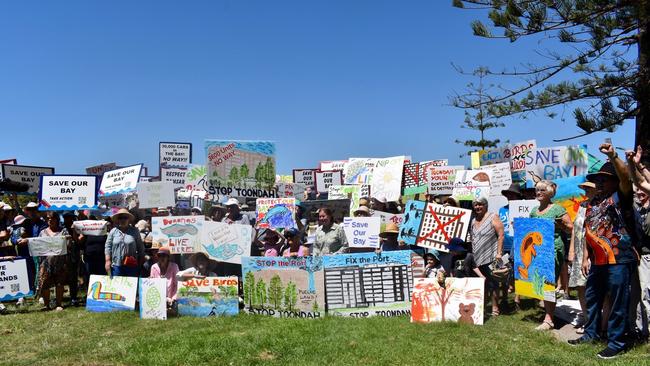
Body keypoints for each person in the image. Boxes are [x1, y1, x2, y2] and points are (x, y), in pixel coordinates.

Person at [569, 143, 638, 360]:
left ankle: (616, 342)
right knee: (592, 299)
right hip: (597, 261)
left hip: (618, 259)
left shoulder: (620, 196)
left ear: (614, 181)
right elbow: (589, 231)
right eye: (597, 179)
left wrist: (614, 156)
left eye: (604, 179)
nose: (599, 182)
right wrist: (586, 256)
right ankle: (591, 334)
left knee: (617, 302)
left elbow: (627, 180)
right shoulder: (593, 203)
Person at [529, 179, 573, 331]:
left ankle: (549, 319)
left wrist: (561, 225)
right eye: (537, 190)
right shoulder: (534, 211)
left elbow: (570, 228)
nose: (539, 193)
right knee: (540, 281)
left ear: (550, 193)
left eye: (542, 190)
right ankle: (548, 313)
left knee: (548, 283)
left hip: (553, 249)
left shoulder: (558, 209)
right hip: (538, 250)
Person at [22, 212, 70, 311]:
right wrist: (27, 240)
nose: (50, 220)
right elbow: (37, 243)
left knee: (59, 283)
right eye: (48, 218)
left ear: (56, 219)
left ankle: (59, 304)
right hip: (45, 261)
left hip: (60, 261)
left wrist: (68, 239)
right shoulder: (43, 232)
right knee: (44, 283)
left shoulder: (63, 231)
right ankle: (47, 305)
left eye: (52, 218)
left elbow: (68, 245)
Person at [568, 181, 597, 330]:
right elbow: (575, 229)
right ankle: (586, 318)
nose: (585, 191)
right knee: (580, 286)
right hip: (579, 252)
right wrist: (571, 250)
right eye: (585, 188)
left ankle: (594, 321)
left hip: (593, 252)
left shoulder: (599, 205)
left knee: (591, 287)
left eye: (589, 188)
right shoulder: (582, 206)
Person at [470, 196, 505, 317]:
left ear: (486, 205)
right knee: (482, 282)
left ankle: (495, 308)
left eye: (480, 204)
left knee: (493, 283)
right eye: (476, 205)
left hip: (492, 255)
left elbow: (501, 235)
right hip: (477, 256)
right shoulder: (473, 220)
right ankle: (483, 307)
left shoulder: (493, 217)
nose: (478, 207)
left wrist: (499, 253)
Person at [104, 209, 144, 277]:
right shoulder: (113, 231)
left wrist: (140, 263)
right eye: (120, 218)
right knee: (117, 286)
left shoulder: (135, 231)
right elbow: (108, 247)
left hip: (132, 266)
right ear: (118, 220)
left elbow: (141, 248)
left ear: (128, 219)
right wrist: (107, 261)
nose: (123, 220)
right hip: (116, 266)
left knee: (131, 286)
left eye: (125, 218)